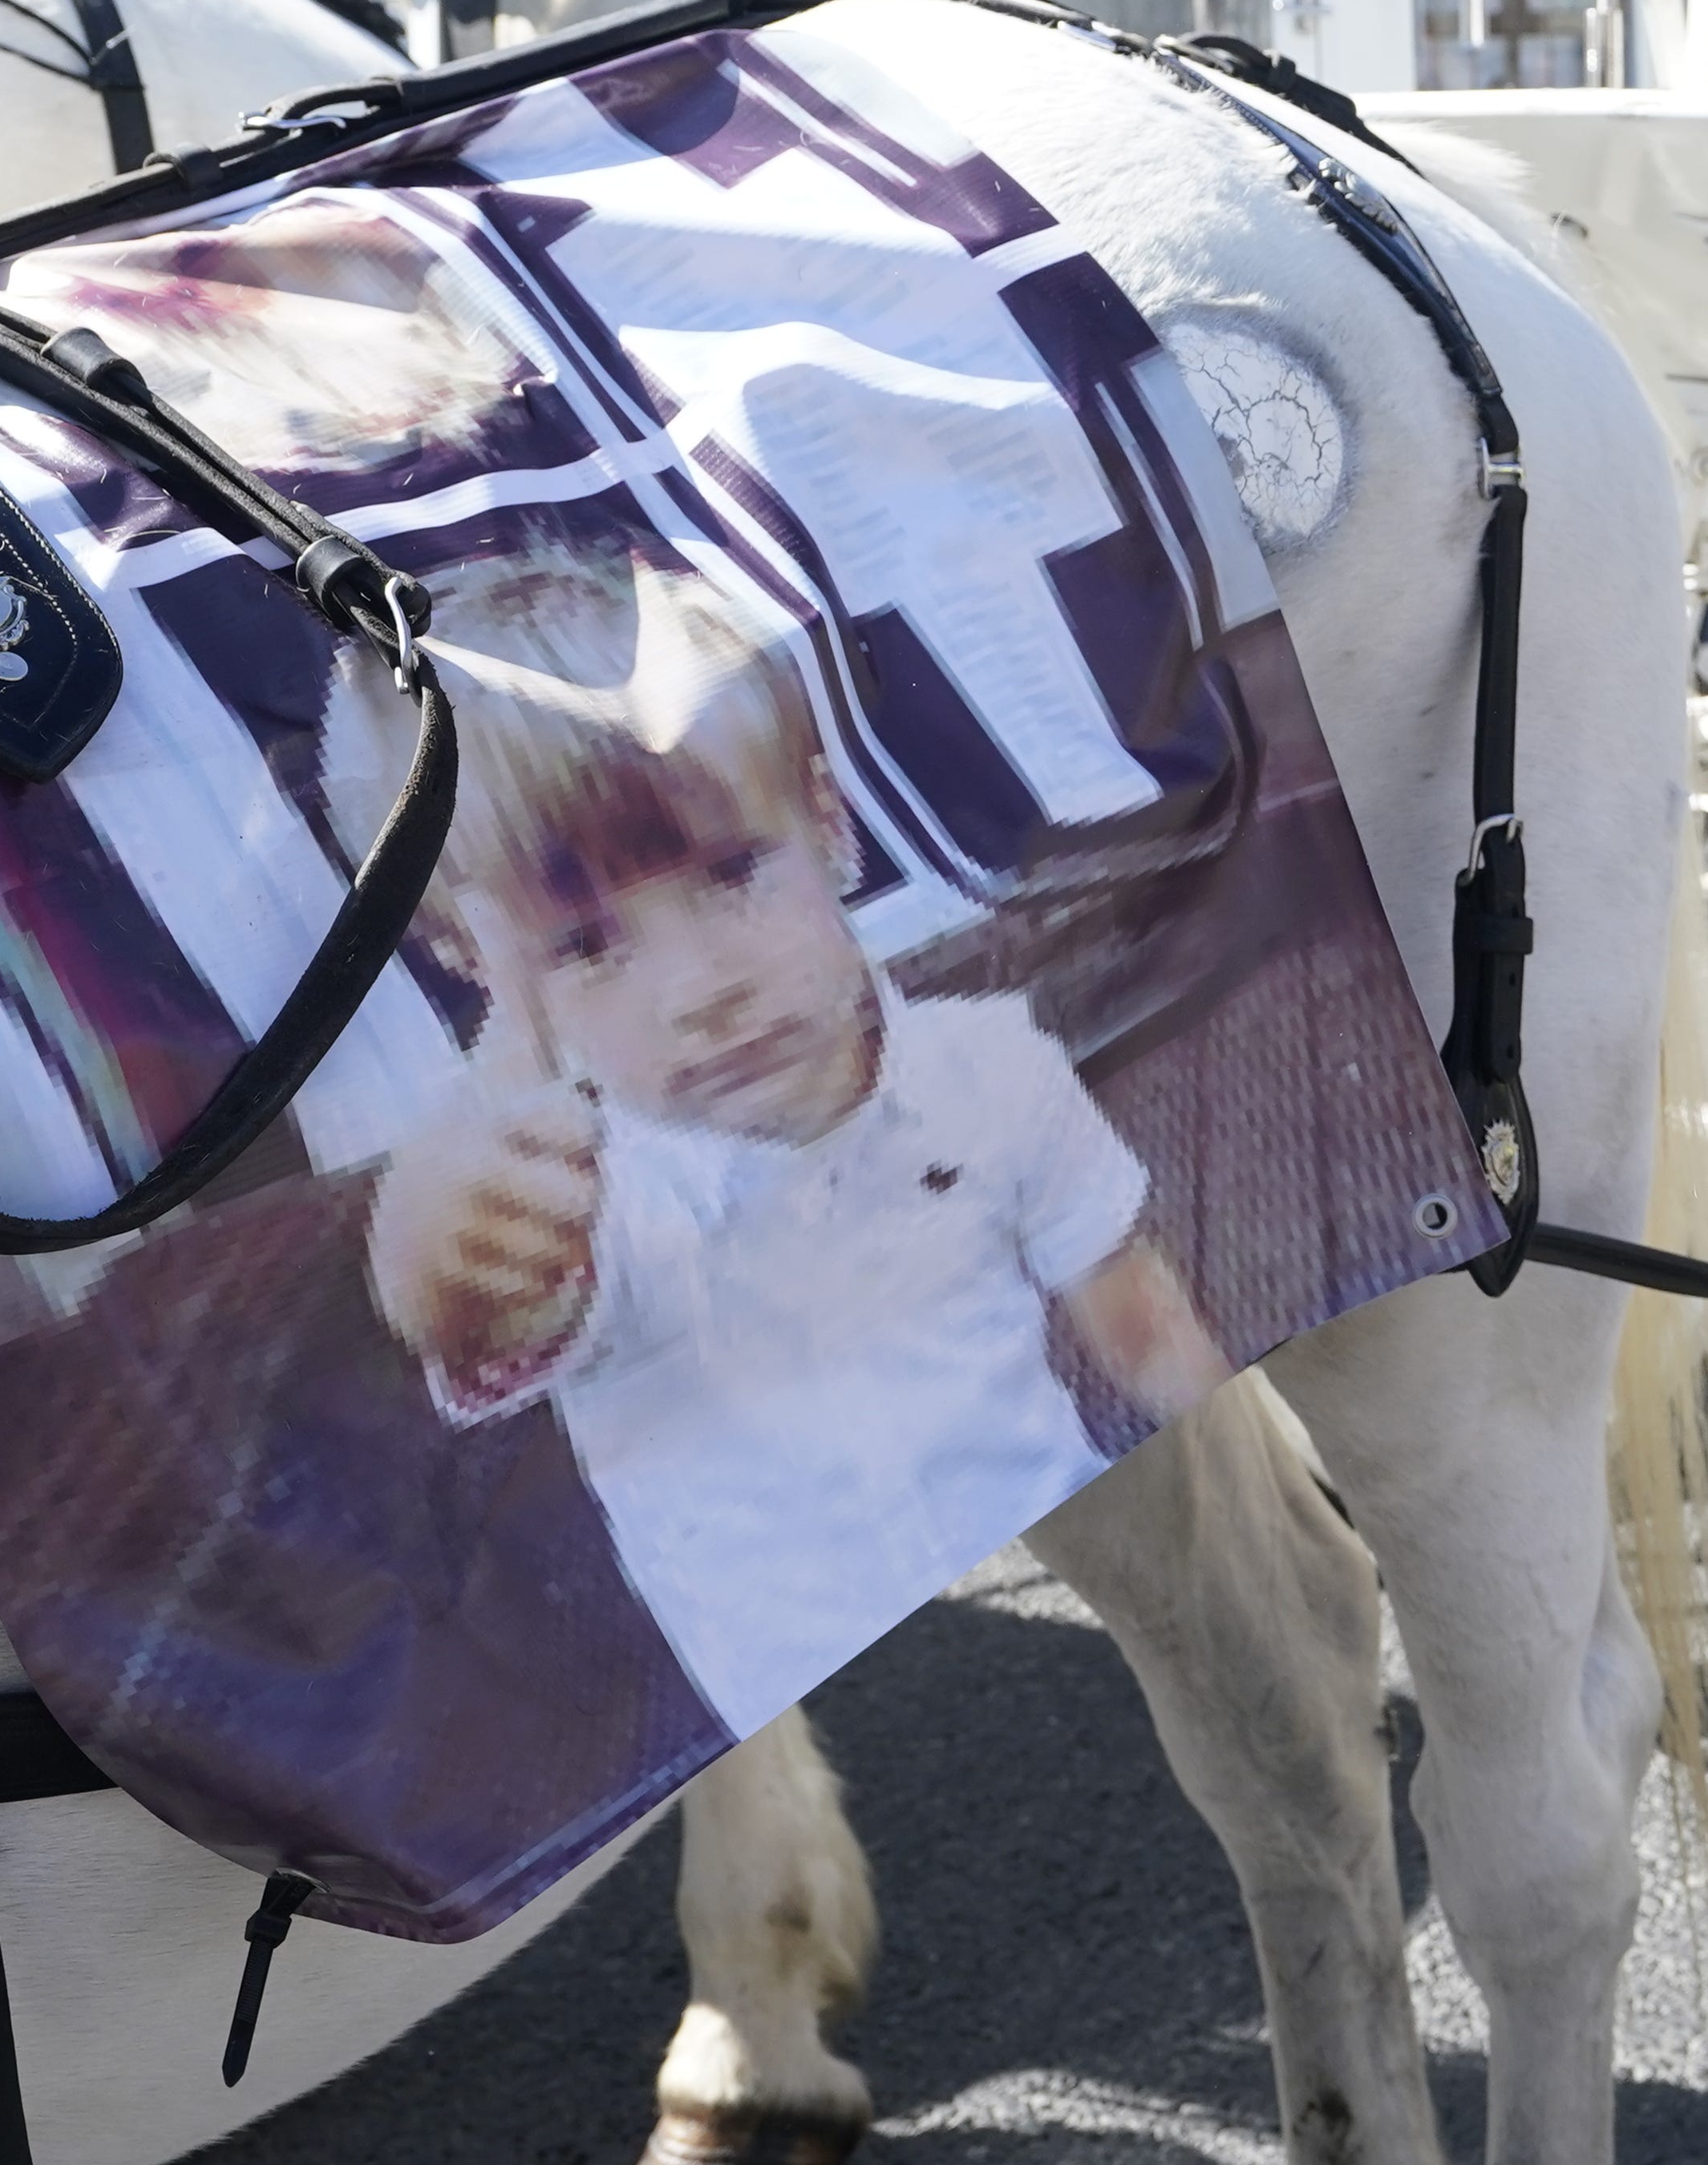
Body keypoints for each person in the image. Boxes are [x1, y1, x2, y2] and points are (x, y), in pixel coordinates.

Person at [327, 547, 1232, 1730]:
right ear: (482, 970)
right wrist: (433, 1247)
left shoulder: (992, 1065)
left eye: (732, 874)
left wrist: (1229, 1544)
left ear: (826, 821)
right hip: (803, 1710)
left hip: (1067, 1638)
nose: (702, 989)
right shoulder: (577, 1200)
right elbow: (479, 1300)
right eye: (589, 947)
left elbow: (1140, 1317)